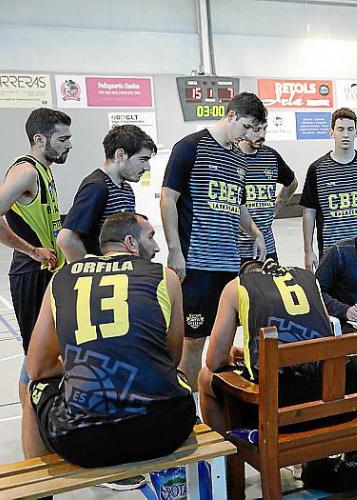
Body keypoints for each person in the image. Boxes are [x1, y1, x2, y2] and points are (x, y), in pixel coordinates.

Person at [25, 212, 195, 471]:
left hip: (82, 441)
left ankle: (36, 481)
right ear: (130, 243)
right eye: (150, 237)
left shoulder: (62, 278)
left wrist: (82, 364)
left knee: (34, 388)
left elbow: (37, 368)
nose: (157, 247)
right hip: (165, 430)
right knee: (176, 377)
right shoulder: (165, 277)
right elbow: (171, 358)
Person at [198, 259, 357, 492]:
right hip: (334, 407)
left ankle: (225, 474)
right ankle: (316, 463)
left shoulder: (236, 287)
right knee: (308, 374)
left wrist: (232, 356)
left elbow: (214, 361)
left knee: (205, 378)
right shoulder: (308, 278)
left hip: (278, 418)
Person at [161, 92, 267, 405]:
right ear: (231, 115)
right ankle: (189, 408)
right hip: (197, 262)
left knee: (225, 339)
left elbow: (239, 204)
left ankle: (217, 403)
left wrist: (255, 232)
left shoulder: (238, 157)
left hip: (229, 262)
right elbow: (168, 198)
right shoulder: (190, 147)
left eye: (253, 130)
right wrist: (174, 250)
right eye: (245, 127)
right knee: (193, 342)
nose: (247, 135)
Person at [0, 108, 70, 461]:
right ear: (40, 139)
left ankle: (40, 433)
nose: (69, 145)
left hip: (47, 274)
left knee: (41, 357)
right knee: (37, 361)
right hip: (31, 275)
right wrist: (30, 249)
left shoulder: (44, 170)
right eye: (63, 139)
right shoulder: (26, 170)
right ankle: (36, 447)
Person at [300, 107, 357, 272]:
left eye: (350, 129)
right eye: (340, 129)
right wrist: (308, 251)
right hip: (332, 252)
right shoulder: (317, 169)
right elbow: (309, 213)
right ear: (332, 132)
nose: (346, 134)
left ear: (356, 132)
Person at [58, 125, 156, 262]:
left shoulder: (126, 189)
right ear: (120, 155)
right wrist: (92, 270)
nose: (147, 167)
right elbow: (66, 239)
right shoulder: (96, 187)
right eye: (143, 159)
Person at [236, 118, 298, 263]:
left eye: (265, 129)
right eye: (257, 129)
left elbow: (292, 183)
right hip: (236, 249)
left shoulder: (271, 156)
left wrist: (276, 206)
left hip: (267, 248)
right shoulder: (230, 157)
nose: (262, 135)